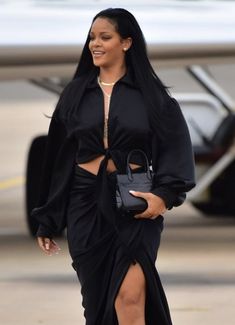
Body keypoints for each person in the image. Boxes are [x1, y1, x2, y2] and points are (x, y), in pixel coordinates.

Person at [32, 7, 195, 325]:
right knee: (96, 303)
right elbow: (58, 162)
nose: (95, 43)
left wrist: (163, 196)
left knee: (131, 297)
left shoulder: (153, 98)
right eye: (92, 37)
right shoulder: (75, 95)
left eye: (105, 37)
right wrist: (48, 219)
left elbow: (176, 150)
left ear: (127, 43)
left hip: (134, 205)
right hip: (85, 205)